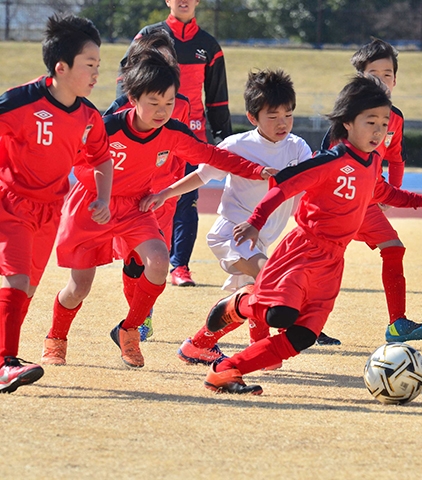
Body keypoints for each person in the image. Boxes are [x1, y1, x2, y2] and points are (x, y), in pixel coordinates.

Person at [201, 74, 422, 394]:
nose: (378, 130)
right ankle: (239, 305)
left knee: (303, 335)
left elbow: (384, 192)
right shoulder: (330, 161)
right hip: (303, 249)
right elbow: (284, 186)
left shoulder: (373, 162)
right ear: (347, 123)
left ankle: (227, 370)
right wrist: (255, 221)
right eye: (370, 122)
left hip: (334, 259)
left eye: (384, 123)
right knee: (280, 313)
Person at [40, 51, 273, 369]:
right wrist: (94, 198)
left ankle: (130, 330)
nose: (162, 111)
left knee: (160, 261)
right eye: (154, 102)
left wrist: (255, 170)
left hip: (135, 207)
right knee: (79, 286)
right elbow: (71, 162)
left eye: (169, 102)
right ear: (133, 98)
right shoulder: (105, 129)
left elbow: (213, 156)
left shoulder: (172, 134)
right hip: (92, 207)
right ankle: (56, 338)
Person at [140, 69, 310, 367]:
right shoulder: (236, 145)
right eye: (273, 116)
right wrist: (164, 194)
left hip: (262, 239)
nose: (283, 122)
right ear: (253, 116)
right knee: (271, 279)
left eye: (289, 115)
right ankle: (263, 347)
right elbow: (201, 176)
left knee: (251, 295)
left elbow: (315, 184)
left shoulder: (298, 148)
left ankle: (200, 345)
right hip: (232, 233)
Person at [0, 14, 112, 393]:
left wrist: (104, 196)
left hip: (51, 210)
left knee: (27, 289)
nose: (97, 73)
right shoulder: (19, 101)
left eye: (99, 65)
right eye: (90, 65)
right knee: (16, 280)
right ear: (61, 67)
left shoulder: (88, 116)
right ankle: (5, 363)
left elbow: (101, 158)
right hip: (11, 204)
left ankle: (4, 356)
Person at [321, 38, 422, 344]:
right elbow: (328, 163)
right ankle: (309, 325)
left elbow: (396, 157)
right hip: (338, 202)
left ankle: (398, 324)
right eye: (374, 73)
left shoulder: (395, 118)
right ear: (360, 78)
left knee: (394, 247)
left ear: (395, 80)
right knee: (325, 260)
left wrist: (391, 192)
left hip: (368, 202)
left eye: (388, 74)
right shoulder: (348, 115)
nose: (382, 80)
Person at [119, 0, 233, 288]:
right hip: (151, 134)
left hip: (191, 136)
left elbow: (217, 97)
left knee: (186, 199)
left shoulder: (209, 45)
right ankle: (137, 258)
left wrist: (223, 138)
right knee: (148, 197)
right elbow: (128, 80)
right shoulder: (148, 35)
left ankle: (179, 266)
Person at [107, 29, 191, 342]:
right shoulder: (118, 110)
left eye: (165, 62)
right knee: (132, 262)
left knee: (155, 259)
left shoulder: (181, 104)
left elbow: (183, 148)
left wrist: (175, 187)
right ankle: (137, 317)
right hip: (129, 196)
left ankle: (142, 318)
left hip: (162, 195)